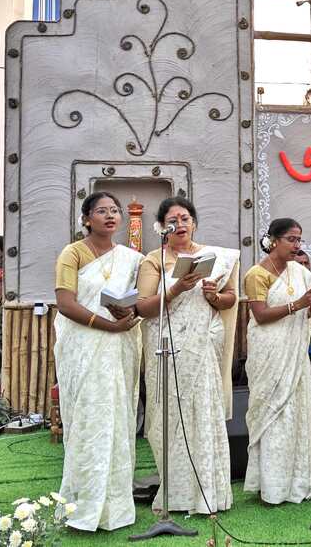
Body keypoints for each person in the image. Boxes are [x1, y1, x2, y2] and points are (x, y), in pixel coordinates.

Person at [136, 196, 240, 514]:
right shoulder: (153, 260)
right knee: (167, 417)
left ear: (194, 222)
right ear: (162, 227)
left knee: (203, 414)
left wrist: (214, 296)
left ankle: (208, 492)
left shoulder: (217, 257)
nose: (180, 224)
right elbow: (143, 306)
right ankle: (176, 491)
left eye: (185, 218)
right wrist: (177, 288)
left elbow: (231, 299)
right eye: (173, 220)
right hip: (166, 347)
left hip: (202, 346)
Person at [52, 192, 143, 531]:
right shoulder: (72, 253)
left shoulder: (131, 258)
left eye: (115, 211)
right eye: (102, 211)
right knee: (89, 422)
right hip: (84, 344)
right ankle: (83, 506)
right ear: (87, 218)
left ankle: (116, 509)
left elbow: (139, 301)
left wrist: (127, 313)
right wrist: (109, 324)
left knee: (117, 421)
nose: (110, 216)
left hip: (119, 347)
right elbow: (66, 303)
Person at [243, 219, 311, 504]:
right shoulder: (256, 274)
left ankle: (299, 483)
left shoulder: (300, 273)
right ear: (273, 241)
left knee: (296, 414)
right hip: (269, 353)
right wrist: (298, 305)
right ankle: (272, 487)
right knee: (273, 416)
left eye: (299, 240)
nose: (297, 245)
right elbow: (260, 315)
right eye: (291, 239)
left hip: (295, 354)